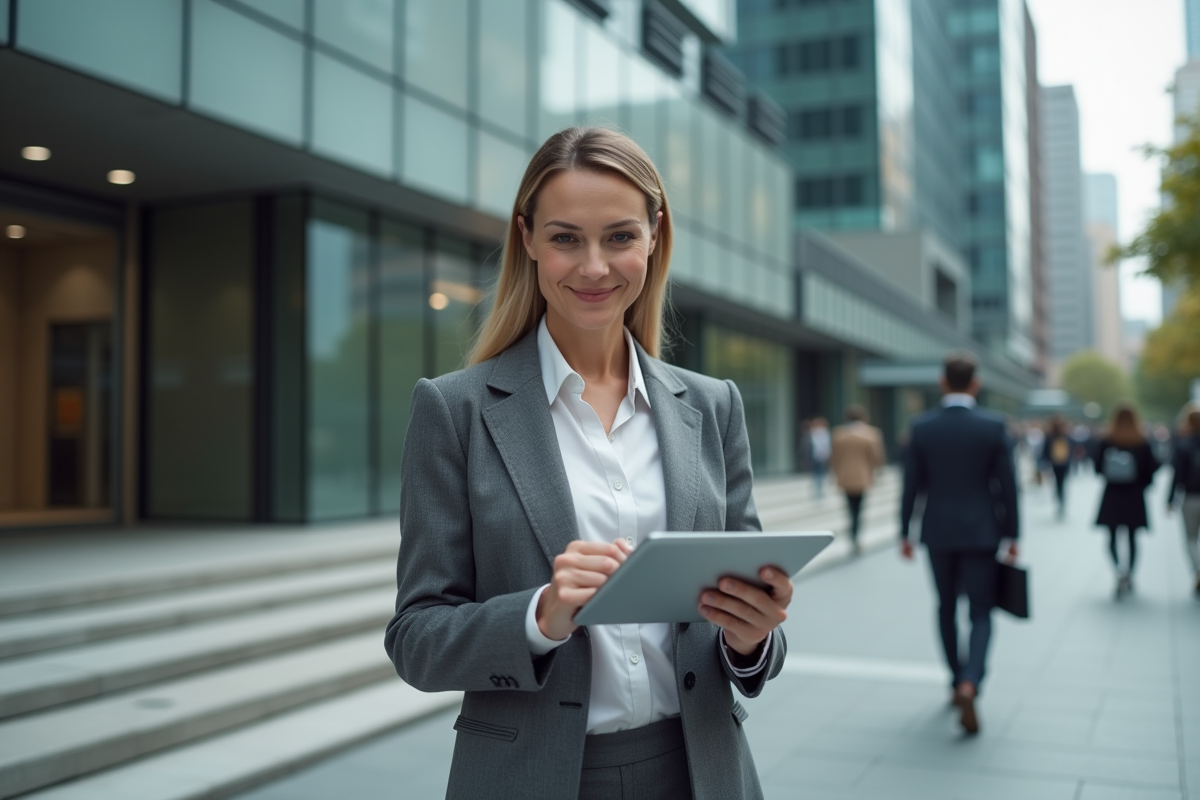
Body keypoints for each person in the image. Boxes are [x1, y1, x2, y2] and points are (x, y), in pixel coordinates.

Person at [383, 127, 792, 800]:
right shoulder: (454, 410)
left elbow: (749, 629)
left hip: (700, 771)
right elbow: (416, 639)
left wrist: (750, 639)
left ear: (655, 236)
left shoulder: (713, 406)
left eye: (620, 237)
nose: (595, 267)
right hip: (531, 778)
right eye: (567, 237)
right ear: (529, 239)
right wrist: (540, 614)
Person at [899, 351, 1018, 736]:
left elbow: (911, 485)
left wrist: (905, 531)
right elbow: (1008, 486)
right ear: (976, 384)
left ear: (942, 382)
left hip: (938, 531)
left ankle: (954, 680)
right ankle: (972, 680)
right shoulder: (993, 425)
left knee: (946, 607)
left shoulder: (923, 427)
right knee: (981, 611)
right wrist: (1015, 534)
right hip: (983, 532)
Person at [1092, 404, 1159, 599]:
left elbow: (1097, 467)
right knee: (1132, 538)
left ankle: (1118, 571)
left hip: (1112, 495)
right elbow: (1151, 468)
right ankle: (1129, 573)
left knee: (1111, 537)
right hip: (1134, 495)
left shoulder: (1107, 440)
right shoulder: (1141, 441)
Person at [830, 405, 885, 554]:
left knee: (850, 508)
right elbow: (876, 456)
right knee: (859, 508)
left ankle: (853, 535)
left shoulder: (839, 434)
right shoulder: (871, 434)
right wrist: (878, 471)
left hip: (845, 476)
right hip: (862, 476)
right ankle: (855, 536)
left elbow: (834, 457)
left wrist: (834, 473)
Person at [1167, 408, 1200, 596]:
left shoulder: (1184, 445)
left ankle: (1197, 569)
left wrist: (1170, 500)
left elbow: (1177, 476)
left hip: (1190, 497)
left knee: (1190, 538)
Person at [1044, 417, 1072, 518]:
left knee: (1060, 483)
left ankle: (1060, 500)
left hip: (1061, 463)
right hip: (1058, 464)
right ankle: (1060, 500)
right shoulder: (1058, 437)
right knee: (1060, 483)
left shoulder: (1060, 436)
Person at [809, 417, 831, 498]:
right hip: (817, 456)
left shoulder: (823, 433)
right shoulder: (814, 433)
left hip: (820, 456)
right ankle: (818, 490)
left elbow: (826, 446)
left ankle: (818, 490)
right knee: (817, 474)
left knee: (819, 474)